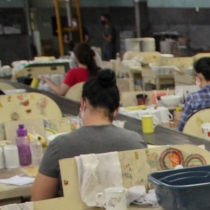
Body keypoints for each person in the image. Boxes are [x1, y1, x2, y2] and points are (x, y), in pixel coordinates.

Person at [31, 69, 146, 201]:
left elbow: (38, 200)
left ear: (83, 103)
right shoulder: (135, 142)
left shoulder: (60, 146)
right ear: (116, 110)